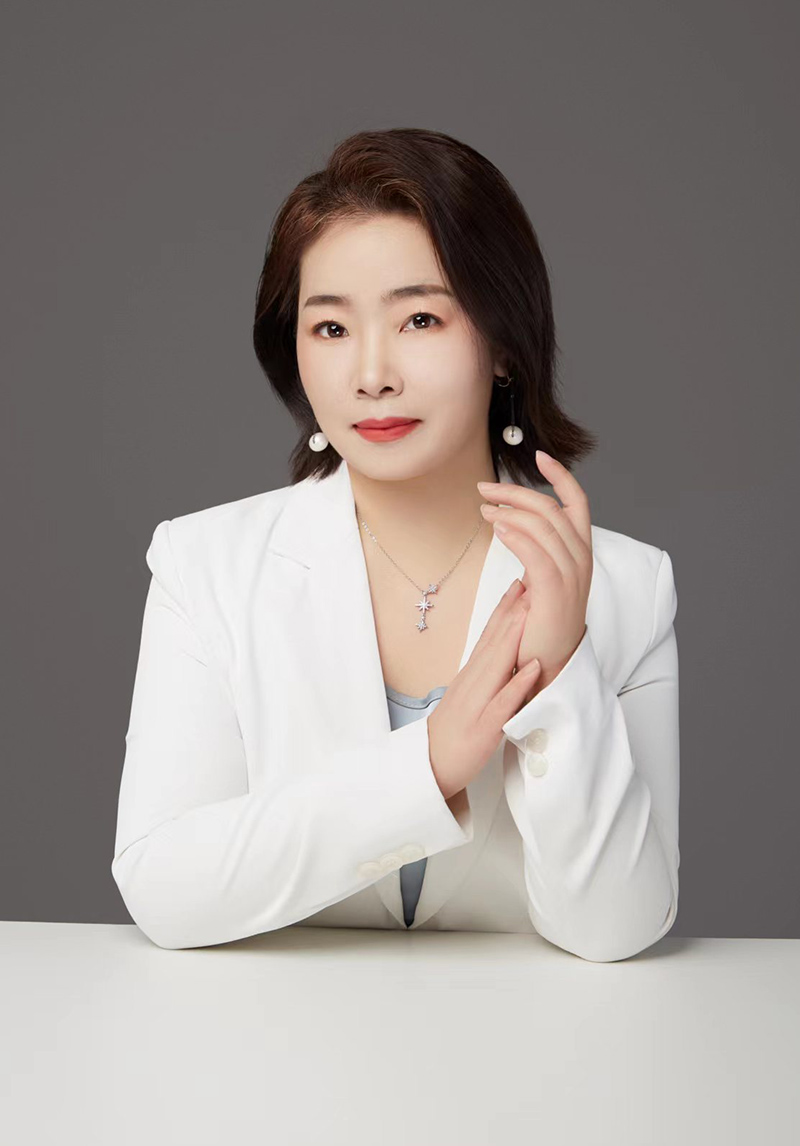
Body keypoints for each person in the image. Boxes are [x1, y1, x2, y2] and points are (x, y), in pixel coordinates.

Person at [111, 127, 680, 959]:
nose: (372, 374)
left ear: (503, 345)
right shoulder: (205, 567)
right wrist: (428, 766)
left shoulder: (629, 586)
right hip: (272, 1035)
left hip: (526, 1043)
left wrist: (562, 675)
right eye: (330, 329)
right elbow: (165, 890)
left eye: (419, 318)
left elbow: (617, 929)